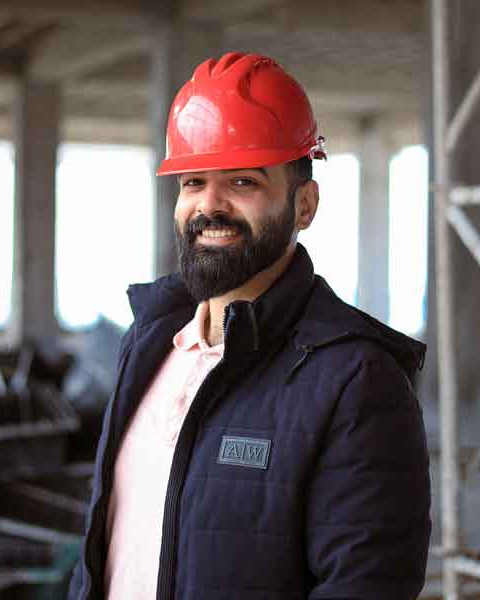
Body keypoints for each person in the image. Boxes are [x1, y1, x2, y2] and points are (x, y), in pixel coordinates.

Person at [68, 52, 431, 600]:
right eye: (193, 182)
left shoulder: (356, 378)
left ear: (305, 205)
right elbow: (100, 556)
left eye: (242, 181)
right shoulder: (147, 344)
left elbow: (365, 586)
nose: (209, 206)